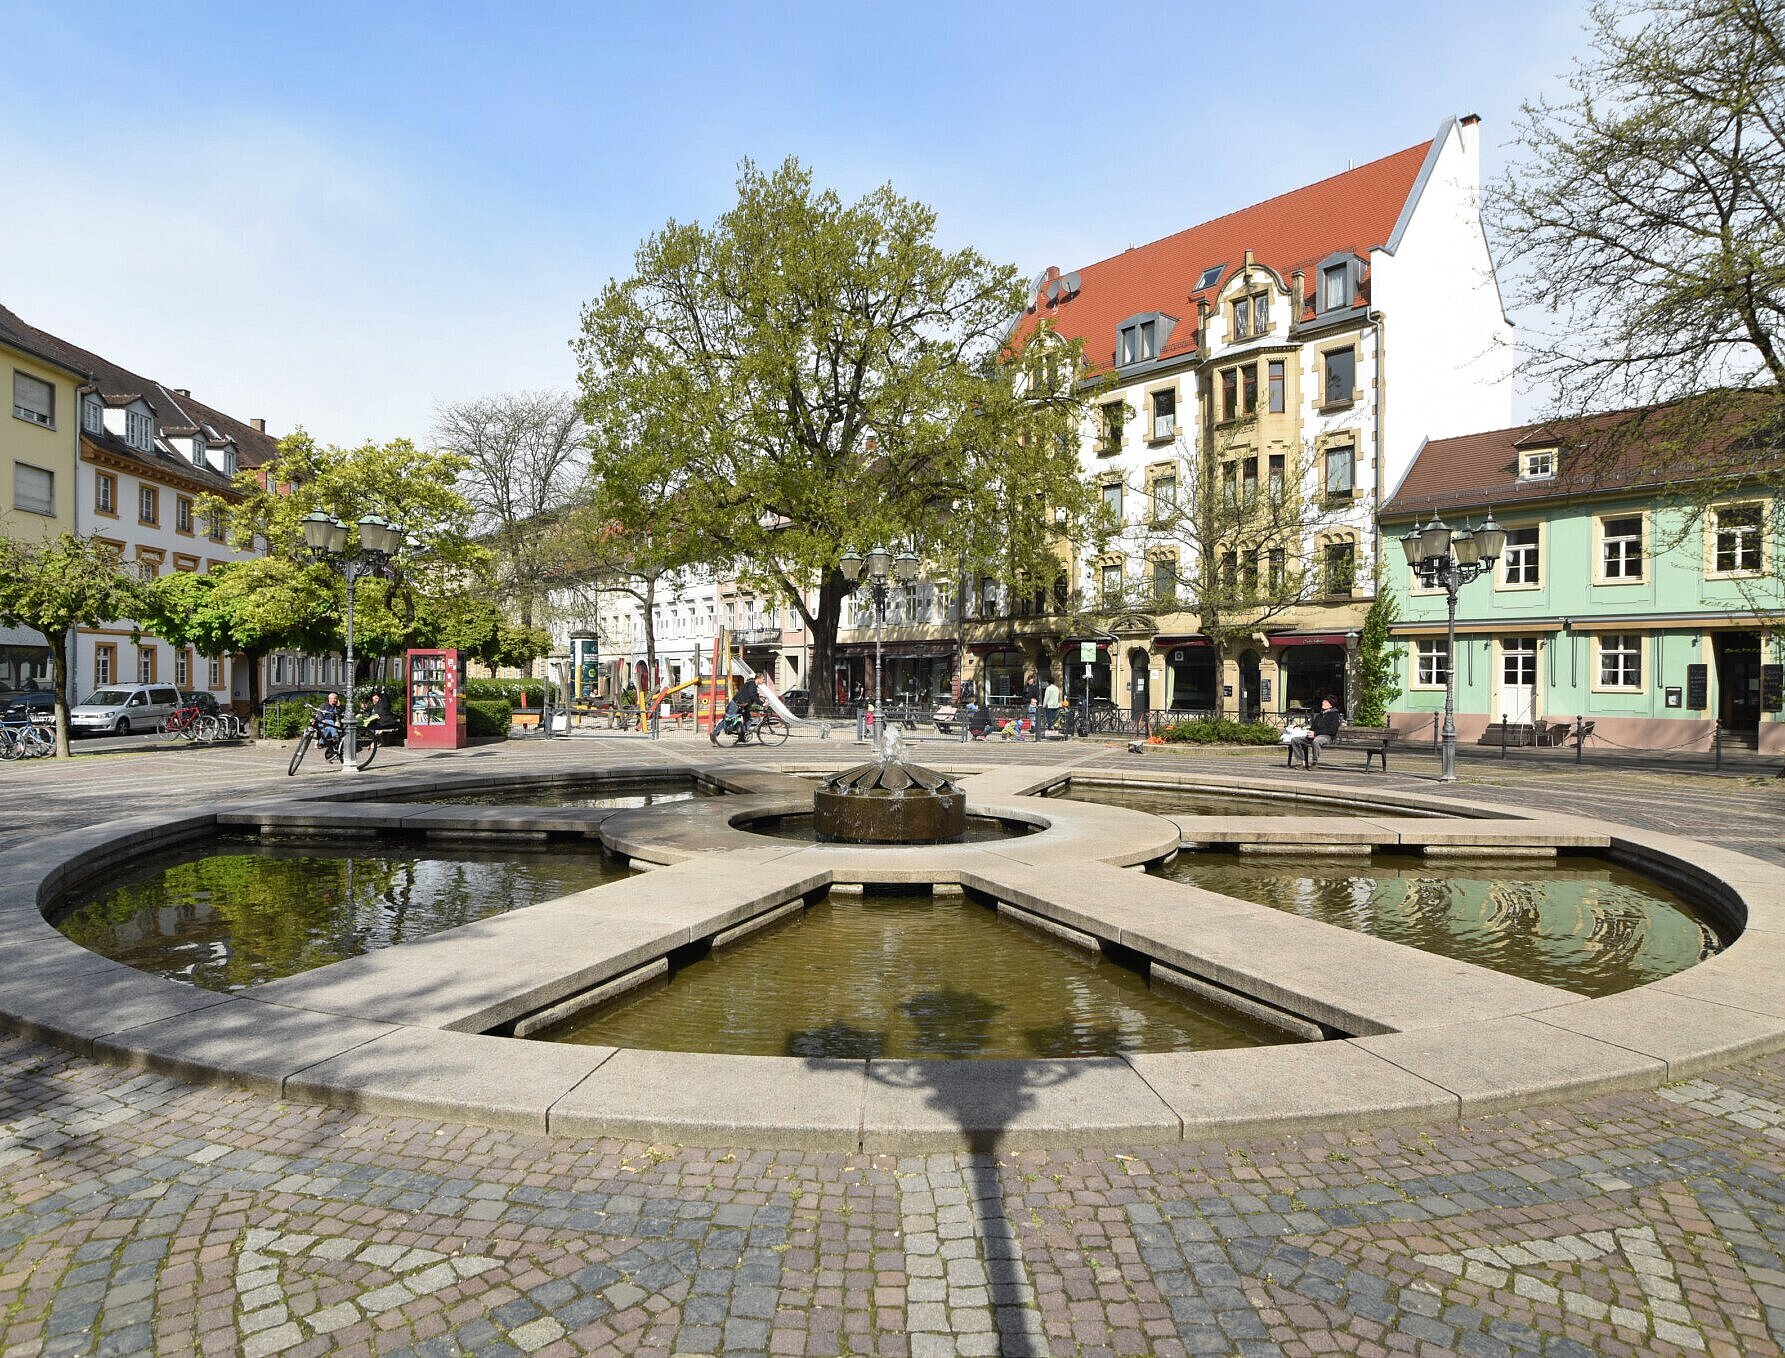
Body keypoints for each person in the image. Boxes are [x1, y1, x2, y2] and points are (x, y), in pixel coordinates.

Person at [1286, 695, 1344, 769]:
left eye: (1325, 701)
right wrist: (1310, 732)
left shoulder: (1334, 716)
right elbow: (1313, 727)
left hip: (1327, 737)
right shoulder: (1319, 715)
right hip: (1314, 735)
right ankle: (1301, 762)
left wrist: (1316, 733)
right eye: (1323, 701)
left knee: (1316, 741)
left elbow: (1332, 731)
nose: (1323, 702)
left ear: (1330, 705)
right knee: (1295, 740)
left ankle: (1314, 762)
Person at [712, 673, 763, 744]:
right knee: (728, 719)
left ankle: (742, 735)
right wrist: (761, 704)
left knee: (748, 719)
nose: (763, 681)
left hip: (743, 705)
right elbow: (752, 696)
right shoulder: (752, 684)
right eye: (763, 679)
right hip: (736, 704)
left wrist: (761, 699)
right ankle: (714, 734)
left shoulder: (753, 685)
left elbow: (754, 695)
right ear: (759, 678)